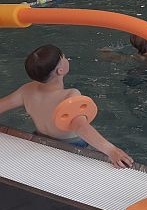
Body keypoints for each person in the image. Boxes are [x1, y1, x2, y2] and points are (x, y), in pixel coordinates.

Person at [0, 45, 134, 168]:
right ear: (60, 70)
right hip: (72, 146)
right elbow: (80, 127)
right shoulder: (70, 95)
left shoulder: (27, 90)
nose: (66, 58)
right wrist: (111, 150)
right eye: (63, 57)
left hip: (39, 139)